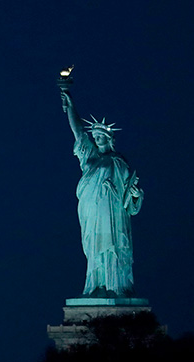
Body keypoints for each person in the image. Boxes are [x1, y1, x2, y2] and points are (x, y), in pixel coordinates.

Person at [61, 90, 143, 298]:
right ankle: (96, 284)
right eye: (95, 136)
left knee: (113, 246)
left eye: (101, 137)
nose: (97, 139)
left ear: (109, 138)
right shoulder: (90, 157)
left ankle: (116, 286)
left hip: (113, 212)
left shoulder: (118, 161)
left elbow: (129, 197)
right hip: (92, 210)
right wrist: (71, 106)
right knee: (94, 248)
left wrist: (135, 194)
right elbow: (79, 132)